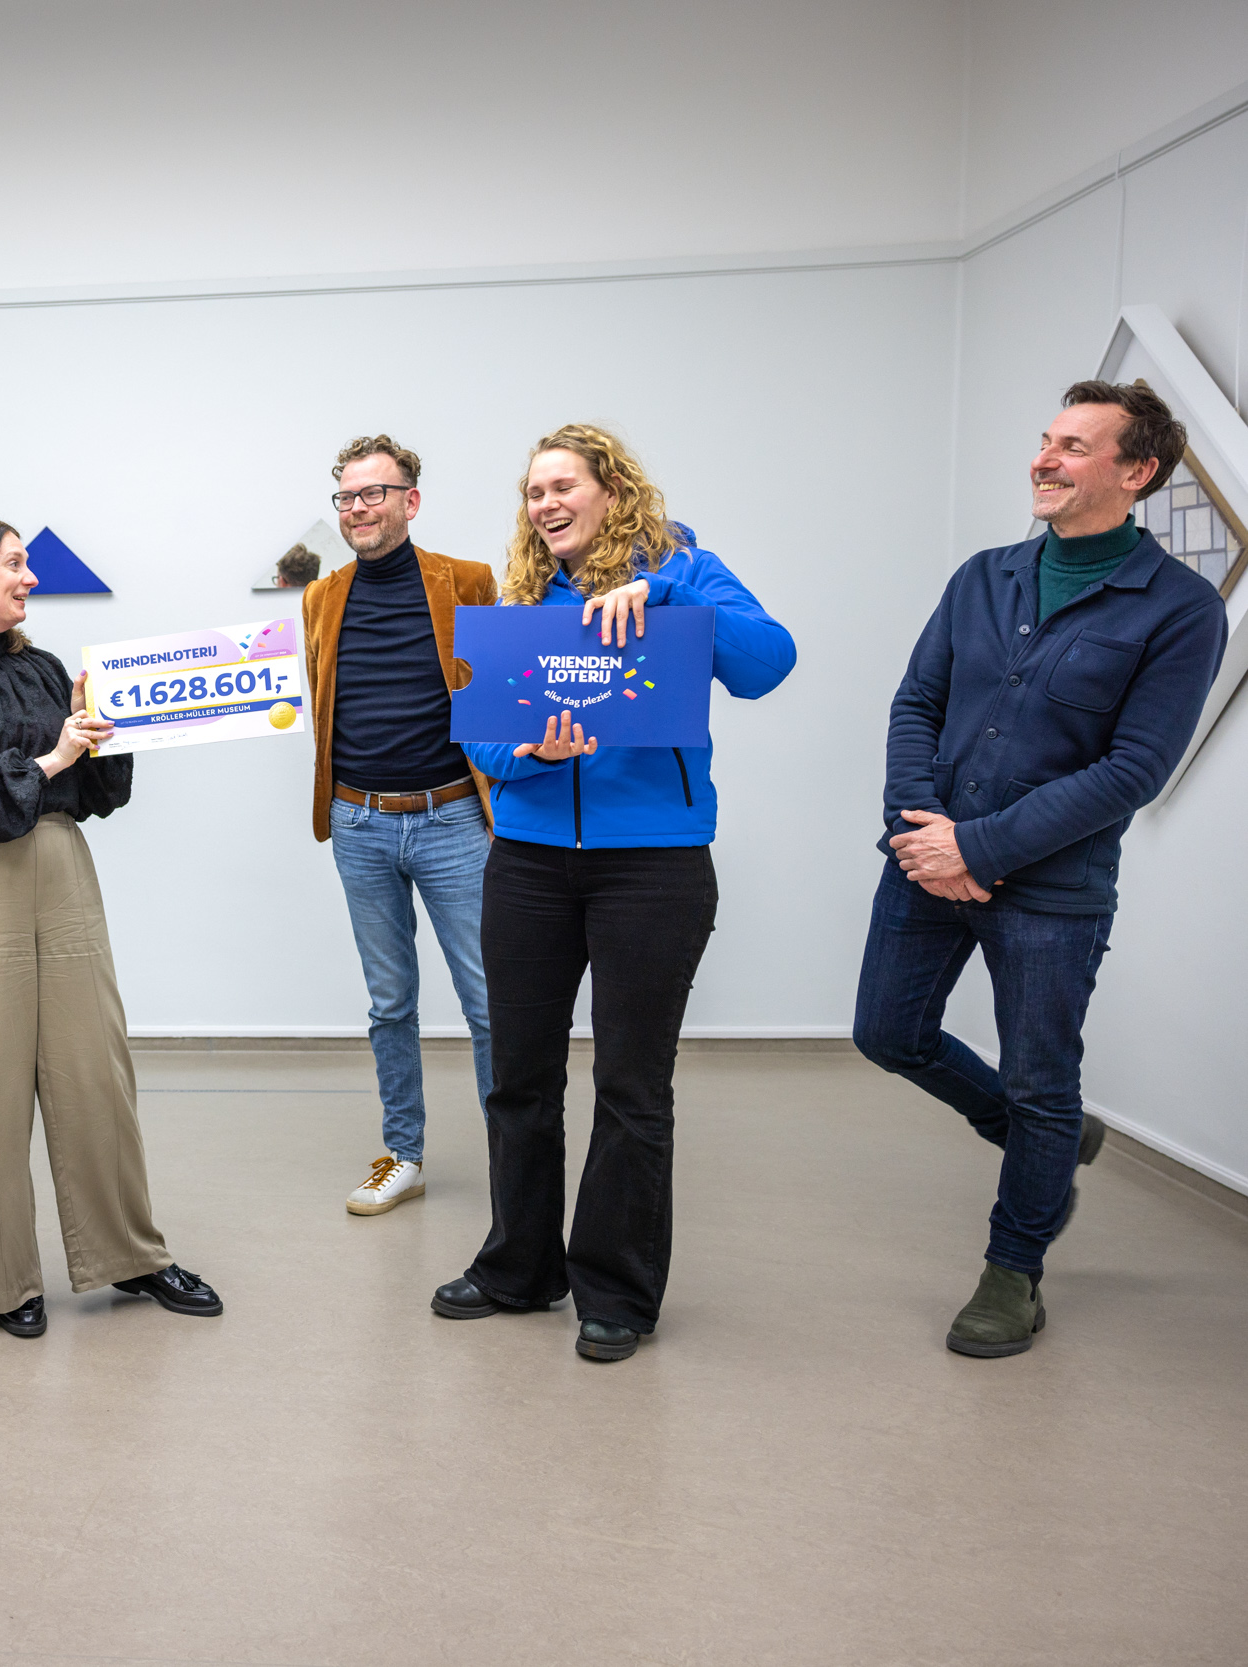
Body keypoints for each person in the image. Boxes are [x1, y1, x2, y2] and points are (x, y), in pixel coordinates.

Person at [853, 381, 1225, 1359]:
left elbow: (1132, 769)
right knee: (886, 1031)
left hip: (1050, 894)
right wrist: (919, 831)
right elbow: (914, 705)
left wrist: (979, 848)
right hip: (921, 862)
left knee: (1039, 1078)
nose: (1044, 458)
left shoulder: (1179, 610)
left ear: (1134, 471)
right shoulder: (985, 576)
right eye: (1046, 439)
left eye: (1074, 446)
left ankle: (1012, 1270)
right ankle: (1031, 1137)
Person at [431, 425, 794, 1363]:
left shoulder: (689, 571)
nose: (543, 504)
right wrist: (530, 752)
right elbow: (483, 739)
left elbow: (768, 663)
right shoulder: (523, 601)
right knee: (519, 1075)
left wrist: (664, 595)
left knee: (633, 1084)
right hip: (528, 862)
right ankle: (520, 1267)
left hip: (654, 867)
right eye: (531, 492)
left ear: (611, 489)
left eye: (561, 486)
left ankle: (618, 1291)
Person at [0, 516, 223, 1339]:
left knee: (95, 1072)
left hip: (60, 866)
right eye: (14, 564)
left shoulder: (42, 669)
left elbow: (101, 793)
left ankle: (131, 1256)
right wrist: (51, 760)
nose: (28, 576)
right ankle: (4, 1283)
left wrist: (106, 732)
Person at [300, 435, 496, 1217]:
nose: (357, 509)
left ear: (409, 500)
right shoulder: (322, 596)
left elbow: (504, 687)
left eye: (372, 494)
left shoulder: (469, 582)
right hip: (359, 821)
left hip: (454, 818)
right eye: (346, 497)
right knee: (390, 1002)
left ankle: (514, 1154)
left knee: (490, 1001)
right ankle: (404, 1152)